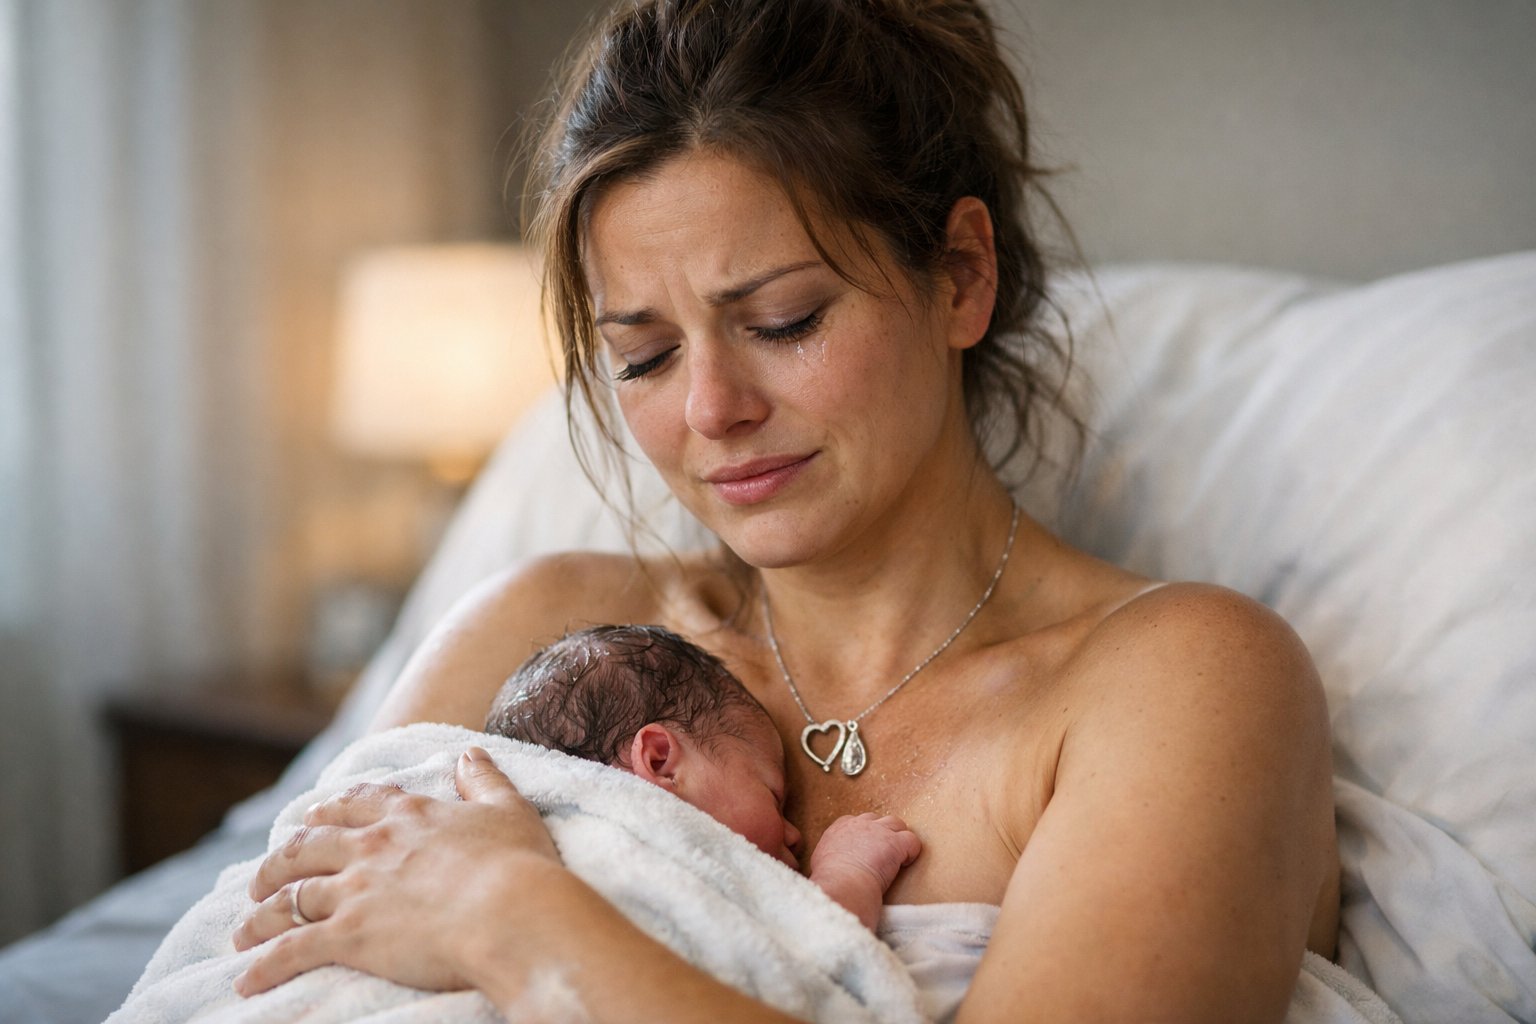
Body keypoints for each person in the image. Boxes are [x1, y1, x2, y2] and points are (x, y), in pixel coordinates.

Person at [232, 0, 1341, 1020]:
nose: (712, 409)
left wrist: (510, 915)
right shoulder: (548, 632)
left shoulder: (1181, 680)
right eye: (647, 355)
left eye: (785, 320)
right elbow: (256, 974)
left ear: (960, 275)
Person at [484, 622, 921, 929]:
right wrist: (848, 873)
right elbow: (811, 953)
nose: (795, 837)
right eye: (772, 796)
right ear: (660, 761)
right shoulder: (636, 862)